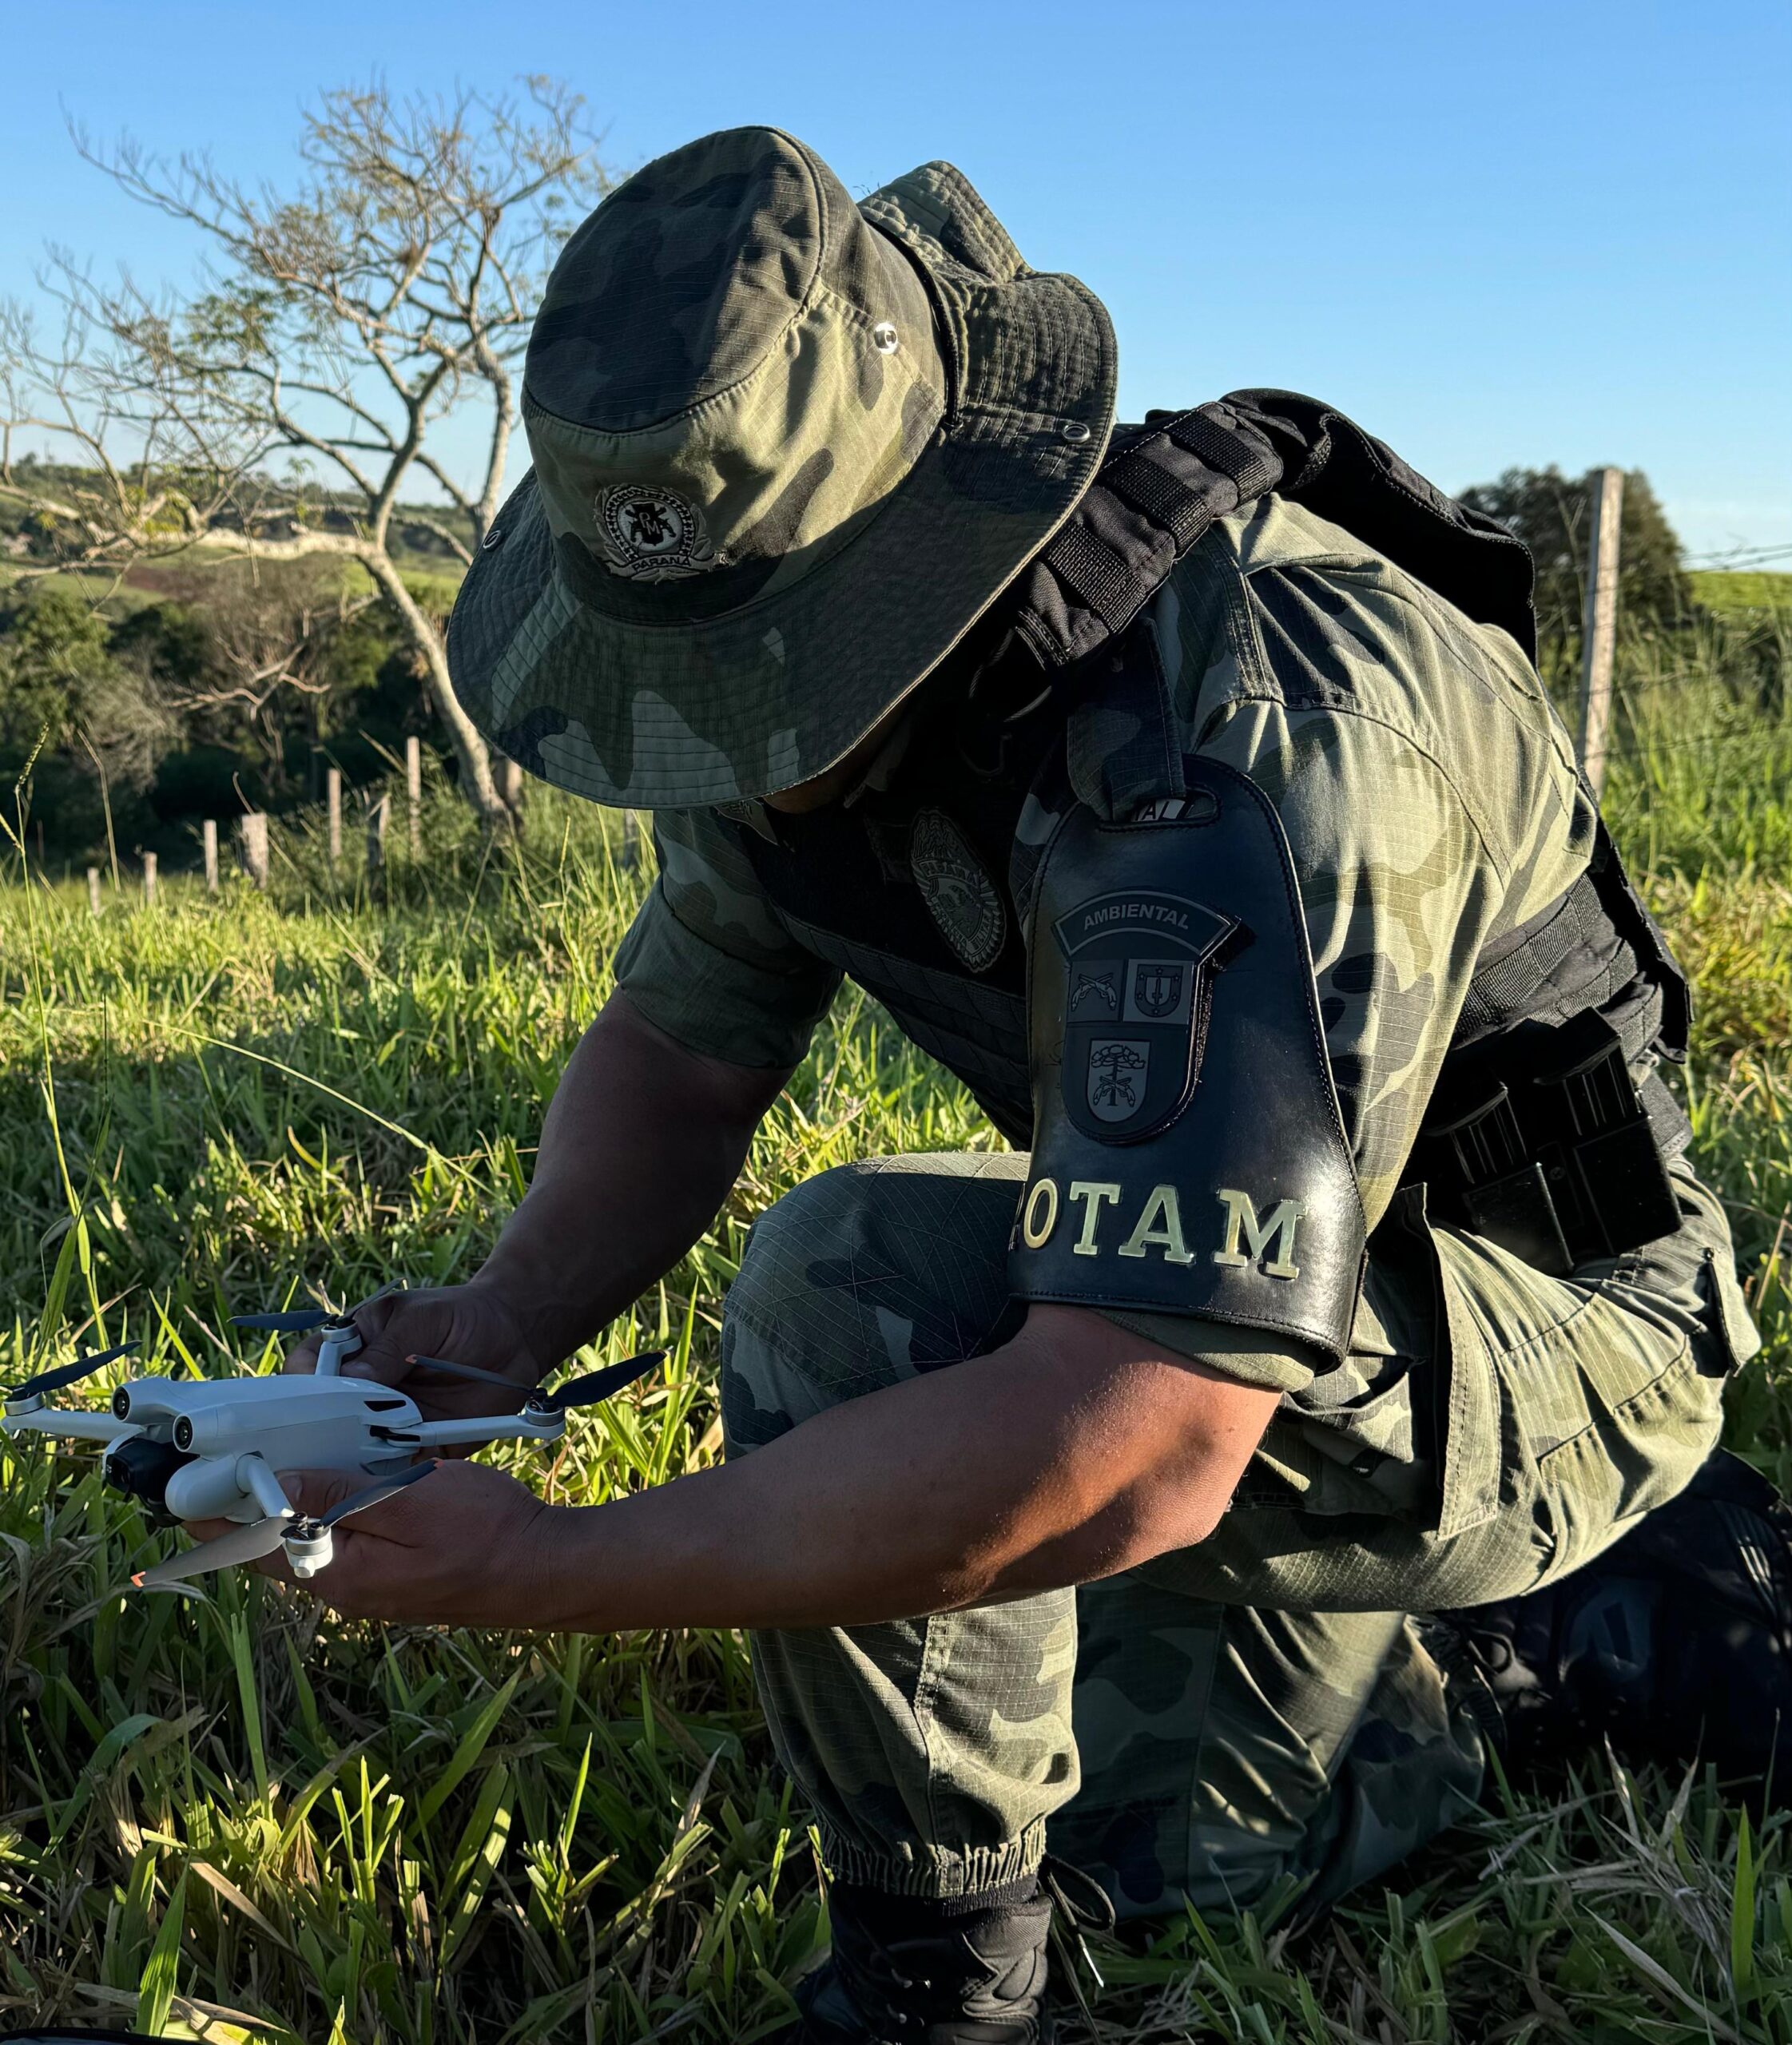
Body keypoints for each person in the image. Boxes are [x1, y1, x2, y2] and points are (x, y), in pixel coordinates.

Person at [255, 128, 1791, 2043]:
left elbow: (1142, 1429)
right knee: (1133, 1795)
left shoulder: (1257, 730)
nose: (739, 740)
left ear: (913, 546)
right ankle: (1389, 1661)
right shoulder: (784, 694)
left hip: (1535, 1318)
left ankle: (979, 1971)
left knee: (857, 1300)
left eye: (768, 665)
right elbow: (682, 1045)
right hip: (1234, 1294)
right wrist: (501, 1318)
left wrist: (550, 1565)